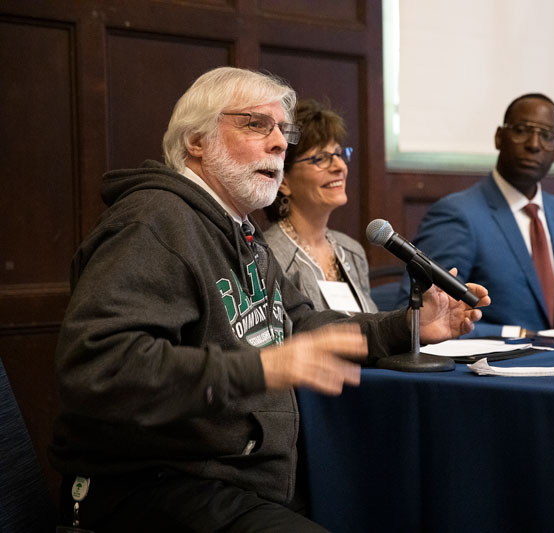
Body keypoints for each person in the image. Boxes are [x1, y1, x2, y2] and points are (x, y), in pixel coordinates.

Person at [50, 66, 488, 532]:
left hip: (244, 480)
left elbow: (299, 323)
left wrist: (407, 326)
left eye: (283, 129)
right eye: (256, 125)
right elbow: (99, 369)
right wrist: (263, 367)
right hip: (153, 486)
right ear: (196, 142)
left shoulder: (240, 231)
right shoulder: (154, 222)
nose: (280, 143)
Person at [397, 93, 554, 337]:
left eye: (547, 136)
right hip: (491, 369)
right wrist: (513, 333)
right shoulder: (458, 213)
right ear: (499, 138)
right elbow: (420, 313)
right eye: (522, 130)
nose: (534, 144)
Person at [264, 99, 376, 314]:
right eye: (321, 159)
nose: (339, 167)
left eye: (339, 154)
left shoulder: (351, 251)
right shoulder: (270, 257)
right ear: (284, 181)